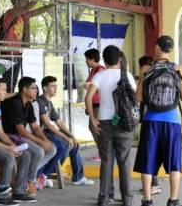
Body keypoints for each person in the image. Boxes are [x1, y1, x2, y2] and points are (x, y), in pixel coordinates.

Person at [134, 36, 182, 206]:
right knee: (174, 163)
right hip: (172, 122)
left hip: (151, 121)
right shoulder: (178, 69)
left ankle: (147, 200)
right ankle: (173, 200)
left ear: (157, 47)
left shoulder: (146, 69)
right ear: (171, 49)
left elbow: (138, 98)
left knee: (148, 161)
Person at [85, 46, 136, 206]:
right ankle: (127, 199)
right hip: (124, 123)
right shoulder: (126, 75)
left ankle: (104, 198)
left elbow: (88, 98)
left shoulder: (100, 75)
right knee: (124, 160)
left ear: (104, 60)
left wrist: (93, 118)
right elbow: (135, 99)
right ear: (119, 59)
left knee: (106, 160)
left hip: (105, 123)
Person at [1, 77, 57, 197]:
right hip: (9, 135)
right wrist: (41, 143)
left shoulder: (28, 104)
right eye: (33, 88)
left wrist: (45, 140)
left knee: (52, 148)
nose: (36, 90)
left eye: (36, 88)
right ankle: (31, 180)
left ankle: (27, 178)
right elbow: (21, 131)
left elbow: (35, 127)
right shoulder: (14, 103)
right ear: (24, 90)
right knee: (38, 151)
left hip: (18, 136)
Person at [37, 76, 95, 188]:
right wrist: (65, 137)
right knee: (65, 145)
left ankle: (78, 177)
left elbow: (59, 122)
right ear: (45, 88)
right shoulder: (40, 101)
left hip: (48, 132)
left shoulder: (49, 103)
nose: (55, 88)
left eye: (56, 86)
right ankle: (45, 174)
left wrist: (71, 135)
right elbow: (48, 124)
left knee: (75, 144)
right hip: (42, 132)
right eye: (52, 86)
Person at [0, 0, 54, 92]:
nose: (27, 2)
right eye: (24, 0)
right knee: (7, 82)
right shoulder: (10, 13)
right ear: (16, 1)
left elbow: (37, 11)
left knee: (13, 82)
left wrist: (53, 4)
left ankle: (8, 100)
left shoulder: (22, 15)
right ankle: (5, 102)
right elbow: (28, 7)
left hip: (17, 54)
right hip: (8, 54)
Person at [136, 55, 161, 196]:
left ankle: (154, 185)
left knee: (150, 153)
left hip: (150, 122)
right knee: (152, 153)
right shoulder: (156, 78)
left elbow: (138, 98)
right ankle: (151, 184)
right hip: (156, 121)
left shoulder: (146, 78)